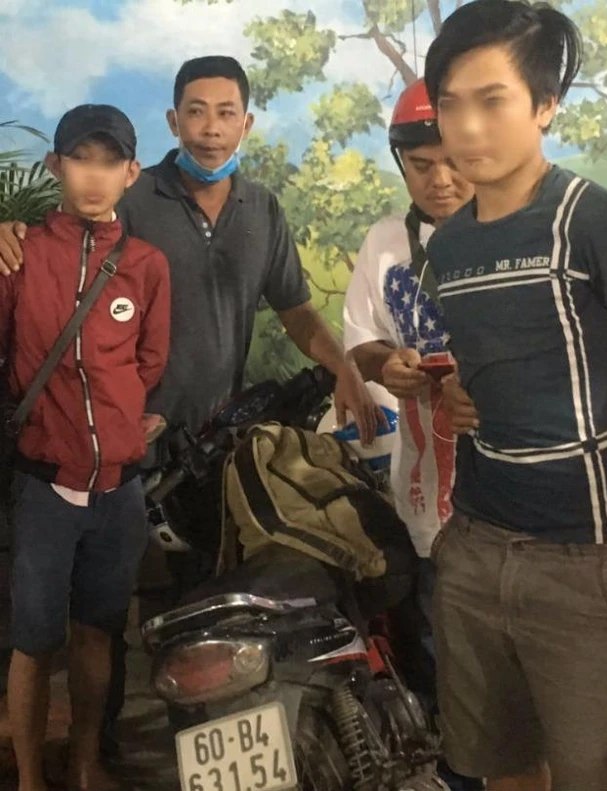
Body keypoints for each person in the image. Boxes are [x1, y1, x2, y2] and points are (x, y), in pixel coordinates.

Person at [0, 55, 380, 755]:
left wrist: (345, 368)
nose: (210, 128)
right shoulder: (132, 200)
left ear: (246, 123)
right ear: (173, 120)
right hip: (124, 454)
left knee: (208, 605)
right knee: (107, 618)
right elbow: (64, 260)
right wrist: (11, 235)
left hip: (216, 449)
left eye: (226, 112)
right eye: (196, 112)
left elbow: (296, 309)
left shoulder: (262, 209)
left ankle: (205, 753)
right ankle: (100, 752)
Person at [424, 2, 607, 789]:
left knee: (598, 775)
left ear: (545, 107)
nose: (467, 128)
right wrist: (455, 388)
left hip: (584, 557)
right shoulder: (450, 244)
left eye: (492, 100)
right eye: (450, 104)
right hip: (475, 543)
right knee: (498, 766)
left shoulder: (599, 223)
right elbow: (484, 359)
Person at [0, 105, 170, 791]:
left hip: (119, 490)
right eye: (80, 159)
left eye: (110, 161)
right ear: (55, 167)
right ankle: (31, 779)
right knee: (34, 643)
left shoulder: (147, 266)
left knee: (99, 633)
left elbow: (149, 362)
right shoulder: (20, 255)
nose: (94, 176)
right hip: (45, 484)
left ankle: (87, 764)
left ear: (131, 172)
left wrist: (120, 421)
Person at [342, 78, 478, 791]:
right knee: (429, 621)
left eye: (453, 160)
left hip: (504, 483)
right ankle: (446, 757)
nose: (440, 179)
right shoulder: (385, 242)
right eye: (422, 165)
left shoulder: (513, 234)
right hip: (424, 477)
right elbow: (361, 336)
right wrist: (383, 365)